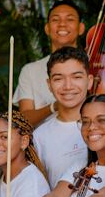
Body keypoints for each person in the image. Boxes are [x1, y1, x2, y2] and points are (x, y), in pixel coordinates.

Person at [28, 47, 95, 182]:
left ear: (90, 81)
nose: (68, 86)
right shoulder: (39, 137)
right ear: (49, 85)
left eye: (76, 77)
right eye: (58, 79)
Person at [13, 2, 85, 125]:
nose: (62, 24)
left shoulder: (95, 63)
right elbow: (24, 121)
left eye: (70, 19)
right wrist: (54, 107)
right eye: (56, 20)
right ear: (47, 28)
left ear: (81, 28)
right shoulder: (30, 70)